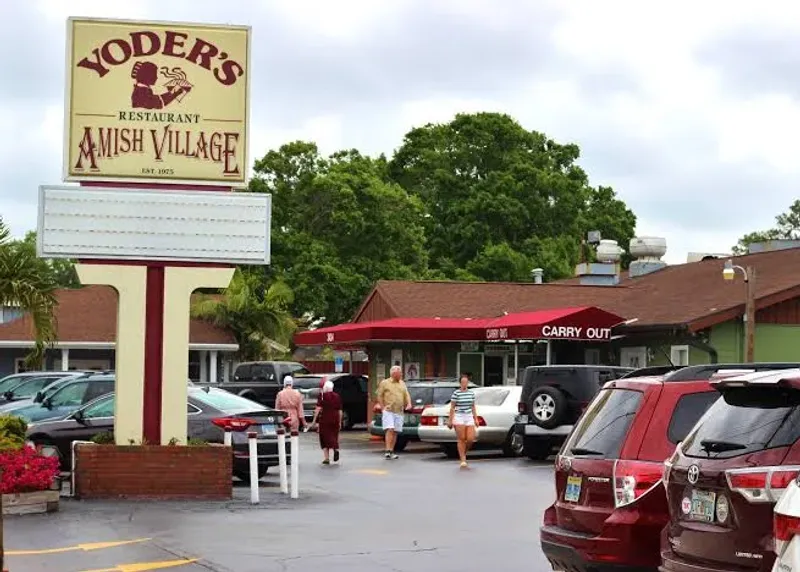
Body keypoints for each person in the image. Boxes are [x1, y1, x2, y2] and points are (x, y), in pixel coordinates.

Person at [376, 365, 412, 460]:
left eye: (401, 372)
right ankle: (387, 450)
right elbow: (379, 395)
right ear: (393, 373)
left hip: (399, 410)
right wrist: (383, 407)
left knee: (395, 431)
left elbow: (406, 394)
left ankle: (392, 450)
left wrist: (409, 403)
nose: (401, 374)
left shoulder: (402, 383)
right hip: (389, 410)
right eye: (399, 372)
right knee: (390, 429)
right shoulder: (385, 383)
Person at [447, 374, 479, 469]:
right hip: (459, 415)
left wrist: (475, 418)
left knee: (470, 438)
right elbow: (452, 407)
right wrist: (450, 420)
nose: (464, 384)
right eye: (463, 382)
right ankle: (463, 459)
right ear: (460, 383)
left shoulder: (471, 393)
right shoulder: (456, 393)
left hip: (468, 416)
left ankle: (463, 452)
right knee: (461, 438)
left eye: (466, 382)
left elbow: (473, 406)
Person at [310, 380, 342, 465]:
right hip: (335, 418)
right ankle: (335, 449)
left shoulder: (322, 396)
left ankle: (327, 458)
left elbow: (318, 409)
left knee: (324, 438)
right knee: (334, 435)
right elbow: (340, 410)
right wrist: (340, 421)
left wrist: (314, 421)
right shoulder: (337, 396)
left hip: (325, 419)